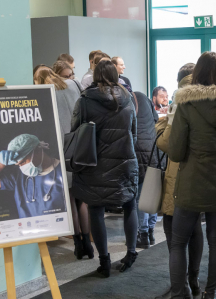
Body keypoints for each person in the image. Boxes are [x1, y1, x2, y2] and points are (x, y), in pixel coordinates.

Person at [168, 52, 216, 299]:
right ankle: (210, 294)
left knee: (179, 242)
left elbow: (177, 152)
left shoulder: (186, 104)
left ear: (197, 73)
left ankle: (181, 293)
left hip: (191, 180)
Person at [71, 60, 139, 277]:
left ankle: (104, 261)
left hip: (94, 163)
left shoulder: (85, 100)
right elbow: (134, 133)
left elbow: (76, 132)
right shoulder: (128, 98)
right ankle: (130, 253)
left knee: (96, 209)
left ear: (95, 75)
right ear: (116, 75)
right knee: (129, 204)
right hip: (124, 160)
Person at [154, 63, 204, 299]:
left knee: (174, 236)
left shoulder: (180, 102)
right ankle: (193, 280)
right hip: (202, 175)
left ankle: (179, 288)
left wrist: (162, 121)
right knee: (195, 229)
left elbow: (166, 144)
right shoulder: (210, 100)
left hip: (178, 174)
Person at [33, 66, 92, 260]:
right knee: (81, 198)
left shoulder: (43, 93)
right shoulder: (73, 84)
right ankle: (89, 244)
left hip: (58, 150)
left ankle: (78, 244)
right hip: (79, 147)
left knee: (70, 201)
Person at [0, 134, 67, 218]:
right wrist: (0, 163)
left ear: (37, 150)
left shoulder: (64, 172)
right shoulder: (18, 176)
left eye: (23, 162)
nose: (21, 167)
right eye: (18, 164)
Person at [129, 90, 159, 249]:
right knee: (152, 194)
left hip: (137, 150)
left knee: (140, 196)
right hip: (153, 149)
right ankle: (152, 231)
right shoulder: (143, 97)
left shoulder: (128, 99)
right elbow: (156, 119)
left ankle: (144, 234)